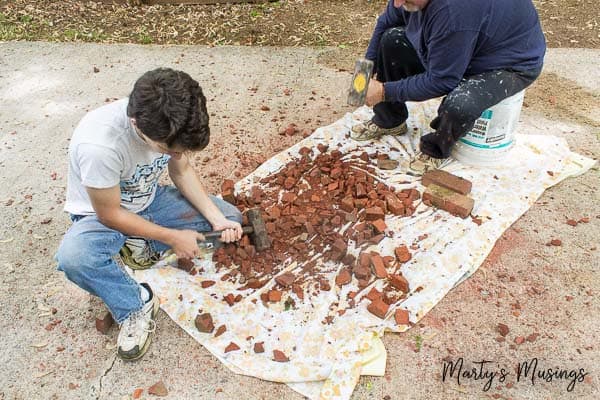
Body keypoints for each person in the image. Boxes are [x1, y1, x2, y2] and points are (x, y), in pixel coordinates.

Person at [55, 68, 243, 361]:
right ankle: (135, 304)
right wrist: (172, 236)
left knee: (232, 219)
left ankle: (139, 243)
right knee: (76, 258)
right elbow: (109, 214)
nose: (178, 155)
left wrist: (217, 220)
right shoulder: (100, 146)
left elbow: (180, 170)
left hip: (148, 199)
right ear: (136, 125)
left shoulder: (170, 116)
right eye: (169, 149)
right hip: (103, 215)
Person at [351, 0, 546, 172]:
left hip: (508, 63)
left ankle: (436, 149)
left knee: (461, 103)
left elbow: (442, 81)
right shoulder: (411, 3)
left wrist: (384, 91)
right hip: (468, 41)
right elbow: (387, 21)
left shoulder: (455, 12)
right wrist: (367, 69)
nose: (397, 3)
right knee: (392, 39)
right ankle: (390, 120)